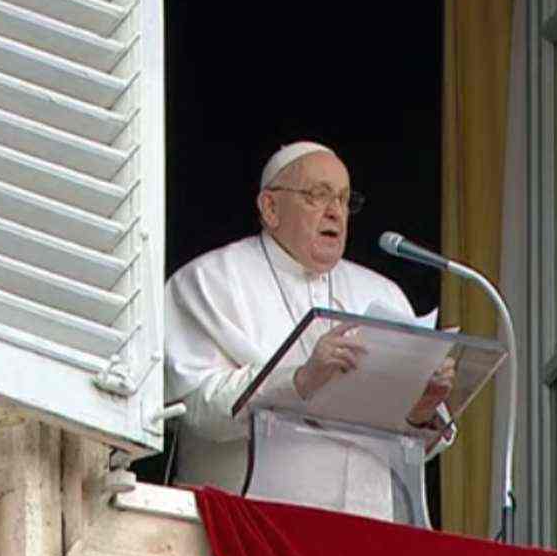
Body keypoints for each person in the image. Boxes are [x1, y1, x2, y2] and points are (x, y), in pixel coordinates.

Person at [164, 141, 455, 520]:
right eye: (318, 195)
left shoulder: (383, 294)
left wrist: (421, 409)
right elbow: (195, 409)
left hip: (365, 533)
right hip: (246, 528)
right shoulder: (210, 279)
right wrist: (299, 379)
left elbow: (414, 449)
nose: (335, 211)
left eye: (344, 200)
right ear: (270, 208)